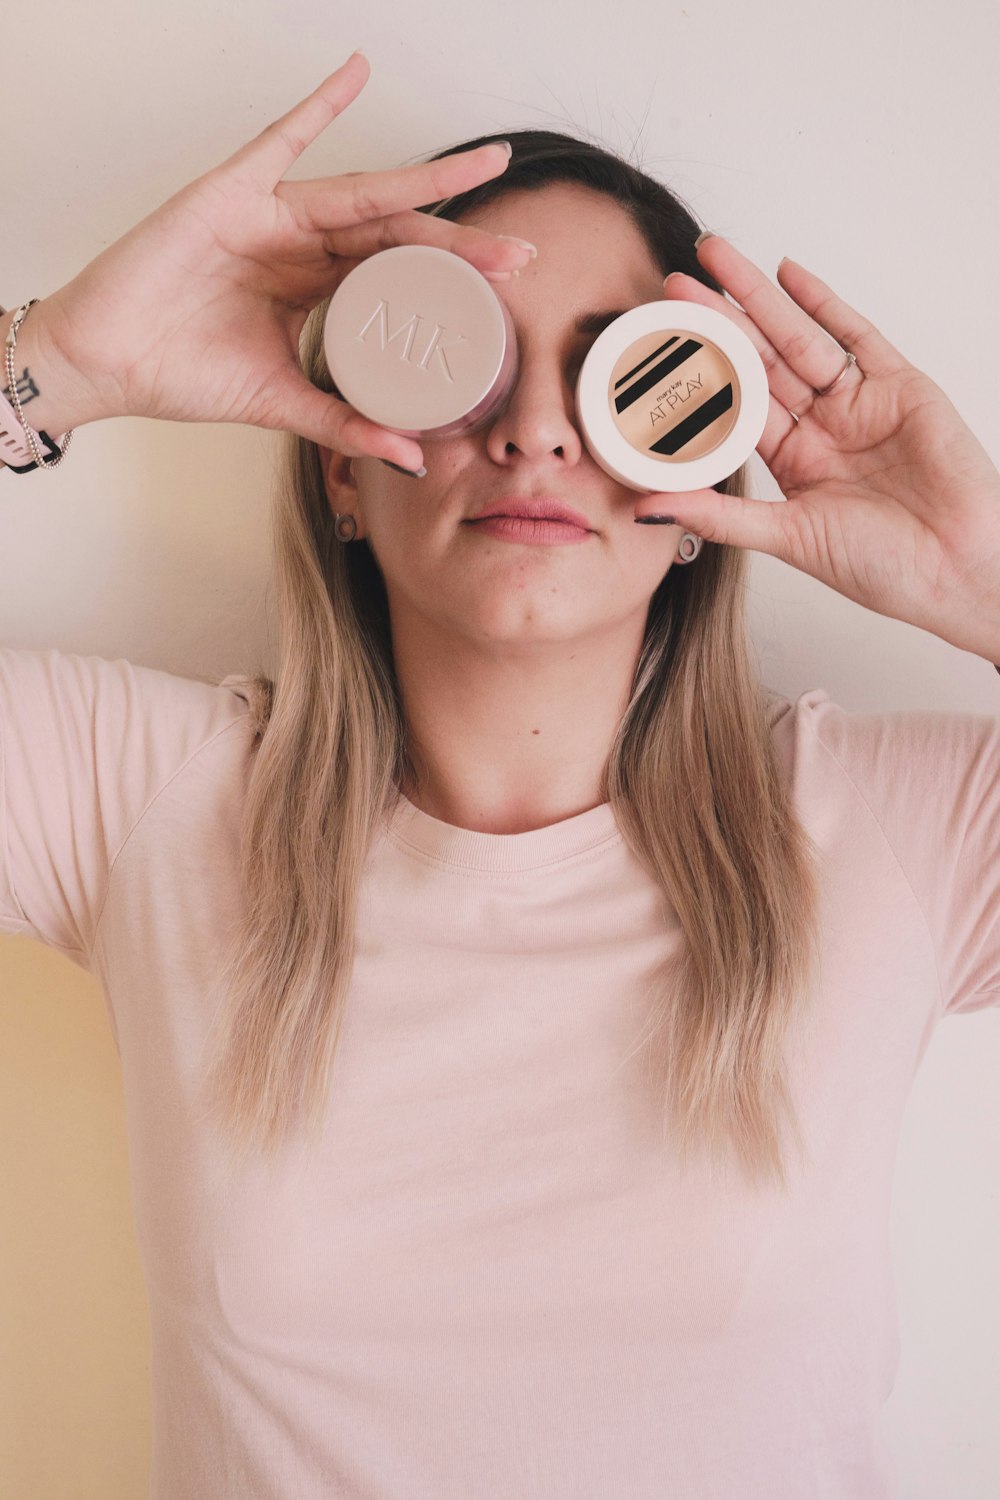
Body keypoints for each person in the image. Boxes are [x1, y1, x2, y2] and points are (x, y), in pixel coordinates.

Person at [1, 48, 998, 1500]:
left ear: (705, 481)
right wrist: (52, 369)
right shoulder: (137, 796)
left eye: (626, 379)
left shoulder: (893, 838)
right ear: (343, 464)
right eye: (450, 353)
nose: (533, 429)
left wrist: (984, 581)